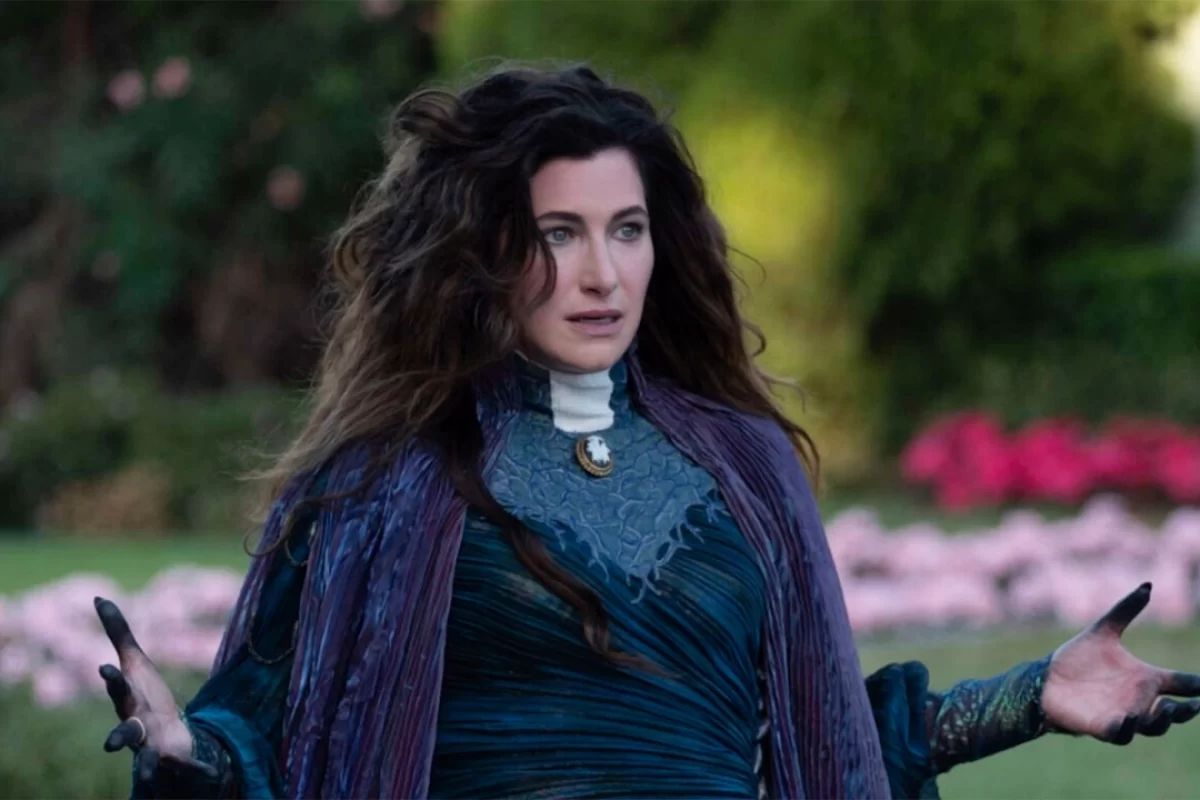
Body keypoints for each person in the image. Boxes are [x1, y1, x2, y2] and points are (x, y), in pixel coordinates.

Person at [93, 64, 1200, 800]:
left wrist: (1028, 696)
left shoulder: (745, 465)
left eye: (625, 230)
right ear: (482, 252)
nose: (602, 273)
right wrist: (185, 752)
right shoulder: (381, 483)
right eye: (558, 234)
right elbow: (277, 733)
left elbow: (821, 744)